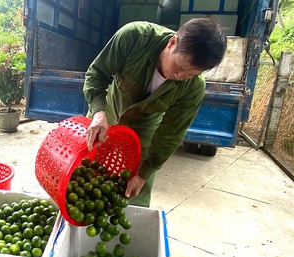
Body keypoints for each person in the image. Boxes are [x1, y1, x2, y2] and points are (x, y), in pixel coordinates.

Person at [83, 18, 227, 207]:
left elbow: (170, 135)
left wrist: (144, 174)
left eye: (189, 75)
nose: (179, 77)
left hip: (145, 126)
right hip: (108, 109)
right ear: (172, 42)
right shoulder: (134, 37)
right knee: (85, 170)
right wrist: (98, 112)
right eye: (179, 67)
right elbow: (97, 74)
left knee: (134, 192)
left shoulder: (194, 88)